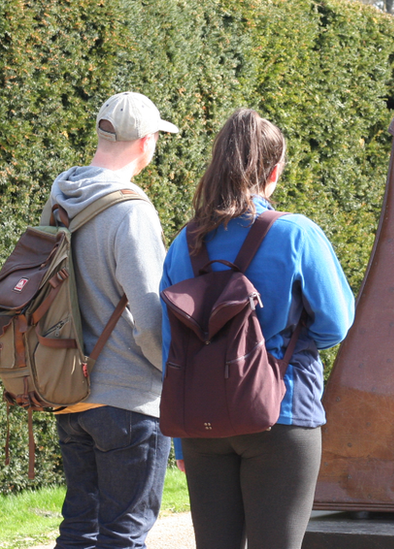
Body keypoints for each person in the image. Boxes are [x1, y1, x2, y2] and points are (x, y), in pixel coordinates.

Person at [159, 108, 355, 549]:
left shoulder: (184, 244)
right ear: (272, 170)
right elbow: (336, 323)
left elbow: (171, 343)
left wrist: (182, 445)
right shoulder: (296, 234)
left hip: (204, 424)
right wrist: (290, 348)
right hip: (282, 412)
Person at [50, 92, 178, 548]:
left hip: (69, 391)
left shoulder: (61, 198)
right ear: (147, 142)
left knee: (80, 529)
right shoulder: (132, 210)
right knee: (124, 534)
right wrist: (176, 378)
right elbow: (148, 315)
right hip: (127, 398)